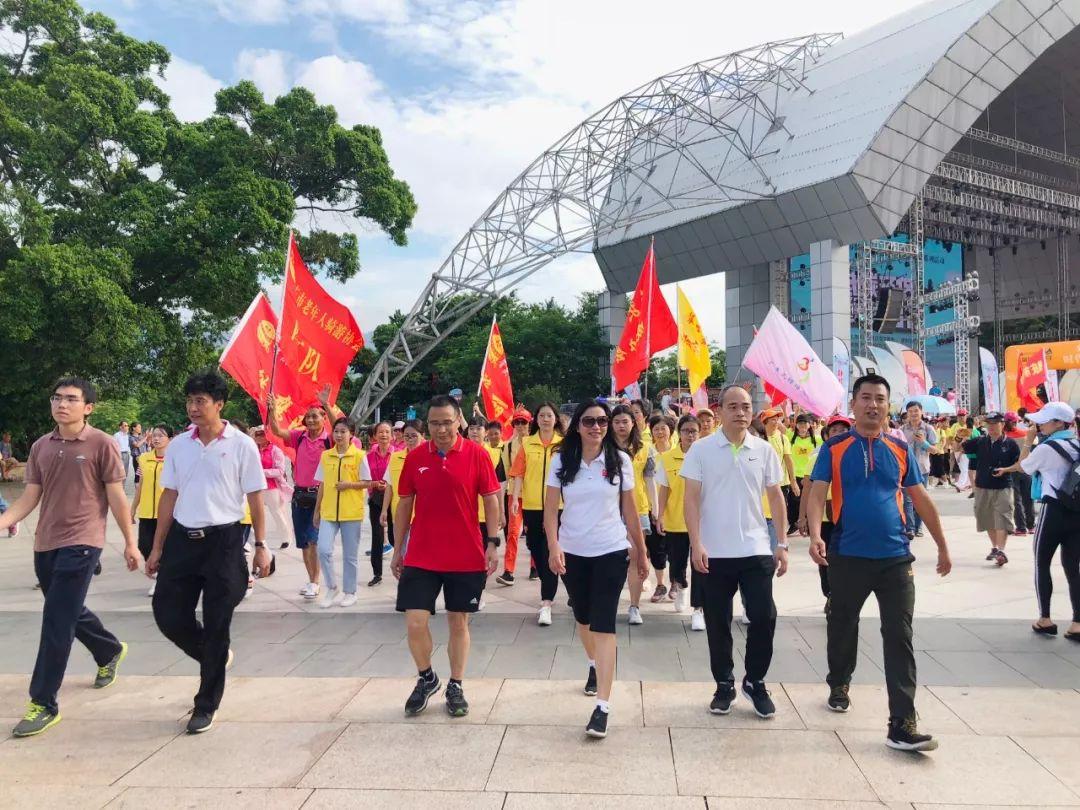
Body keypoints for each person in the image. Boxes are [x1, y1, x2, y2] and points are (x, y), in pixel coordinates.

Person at [806, 373, 952, 752]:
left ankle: (902, 722)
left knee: (899, 636)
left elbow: (919, 498)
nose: (873, 405)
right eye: (866, 398)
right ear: (853, 404)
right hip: (848, 555)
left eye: (881, 399)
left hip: (895, 558)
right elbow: (817, 492)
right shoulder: (834, 448)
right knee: (842, 623)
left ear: (889, 406)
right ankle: (839, 680)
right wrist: (816, 534)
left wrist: (942, 545)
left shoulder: (900, 448)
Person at [0, 378, 141, 738]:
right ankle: (108, 650)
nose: (62, 404)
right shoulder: (41, 447)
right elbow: (30, 496)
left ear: (88, 407)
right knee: (68, 610)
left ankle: (43, 702)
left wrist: (129, 541)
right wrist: (4, 521)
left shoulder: (101, 444)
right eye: (58, 398)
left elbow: (116, 497)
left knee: (56, 621)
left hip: (83, 542)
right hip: (46, 543)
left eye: (72, 399)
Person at [147, 371, 269, 734]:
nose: (193, 407)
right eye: (190, 401)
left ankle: (206, 703)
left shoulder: (242, 444)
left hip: (225, 542)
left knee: (218, 622)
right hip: (184, 540)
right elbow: (168, 494)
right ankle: (213, 655)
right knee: (167, 614)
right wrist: (157, 545)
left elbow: (255, 498)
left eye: (200, 401)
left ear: (219, 404)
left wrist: (261, 547)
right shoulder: (180, 446)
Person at [680, 386, 787, 718]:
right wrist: (696, 542)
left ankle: (754, 680)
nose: (740, 412)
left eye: (745, 407)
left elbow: (776, 498)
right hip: (714, 552)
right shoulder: (701, 449)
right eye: (733, 407)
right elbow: (691, 499)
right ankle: (724, 684)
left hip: (756, 549)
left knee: (764, 615)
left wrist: (781, 543)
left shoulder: (764, 450)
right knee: (718, 620)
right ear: (720, 410)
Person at [391, 395, 501, 717]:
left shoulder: (477, 454)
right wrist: (398, 549)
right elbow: (404, 504)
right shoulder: (414, 458)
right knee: (414, 622)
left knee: (458, 622)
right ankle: (427, 678)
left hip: (465, 554)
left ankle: (456, 684)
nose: (441, 429)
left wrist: (491, 542)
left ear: (458, 421)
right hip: (422, 554)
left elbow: (492, 499)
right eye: (435, 423)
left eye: (447, 422)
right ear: (427, 425)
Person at [546, 400, 649, 738]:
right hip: (573, 551)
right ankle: (593, 663)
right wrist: (553, 546)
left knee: (605, 624)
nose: (597, 427)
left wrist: (641, 551)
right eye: (589, 421)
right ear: (577, 425)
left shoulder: (619, 460)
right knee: (584, 619)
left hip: (611, 549)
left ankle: (602, 706)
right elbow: (550, 511)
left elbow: (630, 510)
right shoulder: (562, 460)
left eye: (602, 421)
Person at [992, 401, 1080, 639]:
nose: (1039, 424)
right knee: (1073, 567)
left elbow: (1024, 467)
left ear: (1059, 423)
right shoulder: (1077, 444)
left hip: (1053, 511)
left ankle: (1045, 618)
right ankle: (1077, 622)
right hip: (1076, 512)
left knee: (1042, 563)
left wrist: (1029, 441)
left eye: (1044, 421)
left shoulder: (1046, 448)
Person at [267, 397, 330, 599]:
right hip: (300, 495)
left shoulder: (330, 440)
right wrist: (272, 409)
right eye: (308, 417)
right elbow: (276, 431)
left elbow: (341, 425)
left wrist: (326, 405)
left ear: (323, 418)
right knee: (303, 542)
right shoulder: (299, 437)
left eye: (315, 416)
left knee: (313, 540)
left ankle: (315, 581)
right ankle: (311, 579)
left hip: (319, 496)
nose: (310, 420)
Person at [509, 401, 564, 625]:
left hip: (558, 506)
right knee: (534, 546)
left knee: (551, 549)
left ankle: (546, 602)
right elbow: (519, 473)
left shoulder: (565, 444)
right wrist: (515, 498)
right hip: (532, 505)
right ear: (536, 420)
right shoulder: (527, 444)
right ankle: (555, 577)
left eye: (549, 415)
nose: (545, 419)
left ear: (555, 419)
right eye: (541, 416)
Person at [313, 418, 377, 609]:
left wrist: (349, 485)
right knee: (323, 550)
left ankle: (350, 592)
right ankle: (332, 587)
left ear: (351, 434)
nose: (339, 435)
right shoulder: (326, 456)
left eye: (343, 432)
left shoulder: (358, 455)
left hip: (351, 512)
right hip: (329, 512)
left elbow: (368, 482)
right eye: (336, 431)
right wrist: (317, 511)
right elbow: (322, 485)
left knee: (350, 556)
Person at [798, 414, 853, 610]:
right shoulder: (817, 457)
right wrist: (802, 517)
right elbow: (807, 490)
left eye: (844, 431)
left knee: (848, 559)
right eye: (835, 431)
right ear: (826, 434)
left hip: (848, 516)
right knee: (826, 558)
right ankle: (830, 594)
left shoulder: (856, 456)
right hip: (824, 518)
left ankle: (843, 594)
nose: (839, 434)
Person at [610, 404, 656, 625]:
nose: (621, 426)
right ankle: (606, 603)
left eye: (625, 421)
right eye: (617, 421)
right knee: (611, 559)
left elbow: (650, 480)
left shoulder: (644, 448)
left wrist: (656, 510)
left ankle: (634, 606)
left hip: (637, 509)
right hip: (608, 511)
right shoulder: (602, 448)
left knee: (637, 557)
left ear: (634, 423)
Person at [657, 414, 702, 626]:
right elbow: (664, 490)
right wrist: (660, 515)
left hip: (703, 522)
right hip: (676, 520)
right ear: (679, 433)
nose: (690, 435)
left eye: (694, 431)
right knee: (676, 564)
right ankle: (681, 586)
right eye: (686, 431)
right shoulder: (666, 459)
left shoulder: (707, 456)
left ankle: (698, 608)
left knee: (701, 565)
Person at [960, 412, 1019, 565]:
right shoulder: (980, 441)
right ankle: (995, 548)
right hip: (982, 486)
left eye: (995, 423)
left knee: (1003, 517)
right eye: (989, 424)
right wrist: (960, 437)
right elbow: (960, 447)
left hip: (1003, 486)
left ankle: (1001, 550)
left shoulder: (1010, 444)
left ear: (1003, 424)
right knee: (986, 518)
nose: (991, 427)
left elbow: (1019, 465)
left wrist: (1006, 470)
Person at [130, 425, 174, 597]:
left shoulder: (174, 459)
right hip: (147, 511)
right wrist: (133, 508)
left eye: (161, 436)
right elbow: (140, 485)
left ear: (169, 439)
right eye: (154, 436)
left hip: (168, 512)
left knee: (166, 547)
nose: (156, 439)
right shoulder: (144, 458)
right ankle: (161, 577)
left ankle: (162, 580)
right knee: (144, 545)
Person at [496, 408, 530, 586]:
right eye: (516, 422)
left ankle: (535, 567)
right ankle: (509, 570)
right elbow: (505, 474)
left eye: (523, 422)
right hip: (514, 495)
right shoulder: (508, 446)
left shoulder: (534, 443)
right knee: (513, 533)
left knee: (535, 533)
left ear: (529, 423)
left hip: (534, 495)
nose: (520, 425)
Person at [250, 425, 294, 549]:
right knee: (255, 514)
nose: (258, 437)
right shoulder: (253, 450)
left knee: (278, 513)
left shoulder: (275, 450)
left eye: (261, 434)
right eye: (256, 434)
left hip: (271, 487)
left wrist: (262, 472)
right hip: (256, 487)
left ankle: (286, 538)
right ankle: (257, 540)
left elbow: (280, 471)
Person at [382, 419, 423, 546]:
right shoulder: (395, 457)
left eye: (414, 435)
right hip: (399, 515)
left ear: (423, 436)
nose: (410, 439)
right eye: (407, 436)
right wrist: (384, 510)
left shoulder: (430, 457)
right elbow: (389, 486)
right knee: (401, 554)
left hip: (422, 517)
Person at [646, 414, 674, 602]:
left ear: (671, 430)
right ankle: (660, 584)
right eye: (656, 429)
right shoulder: (649, 453)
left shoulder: (680, 452)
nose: (660, 432)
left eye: (663, 428)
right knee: (656, 549)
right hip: (654, 509)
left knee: (676, 550)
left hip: (677, 509)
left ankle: (676, 583)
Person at [901, 402, 937, 539]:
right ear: (907, 413)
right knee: (907, 500)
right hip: (907, 469)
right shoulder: (903, 429)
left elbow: (935, 450)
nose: (913, 414)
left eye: (916, 411)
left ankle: (919, 527)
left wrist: (924, 442)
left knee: (920, 500)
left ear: (921, 412)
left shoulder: (928, 429)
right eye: (910, 411)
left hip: (922, 469)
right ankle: (909, 529)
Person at [365, 422, 396, 585]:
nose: (384, 435)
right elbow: (364, 478)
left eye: (387, 432)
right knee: (377, 536)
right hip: (376, 499)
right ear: (375, 436)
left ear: (392, 436)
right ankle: (377, 573)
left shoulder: (397, 454)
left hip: (394, 499)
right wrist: (374, 485)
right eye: (380, 432)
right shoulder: (368, 456)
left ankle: (402, 567)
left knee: (394, 535)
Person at [761, 408, 799, 535]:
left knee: (780, 509)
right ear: (764, 422)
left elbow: (789, 460)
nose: (776, 422)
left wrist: (793, 482)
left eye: (777, 419)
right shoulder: (759, 439)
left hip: (781, 482)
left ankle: (779, 535)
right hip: (763, 483)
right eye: (773, 419)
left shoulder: (783, 438)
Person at [1004, 413, 1035, 535]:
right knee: (1028, 499)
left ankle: (1021, 528)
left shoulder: (1004, 437)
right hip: (1027, 470)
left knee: (1016, 500)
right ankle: (1031, 526)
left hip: (1012, 470)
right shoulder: (1026, 434)